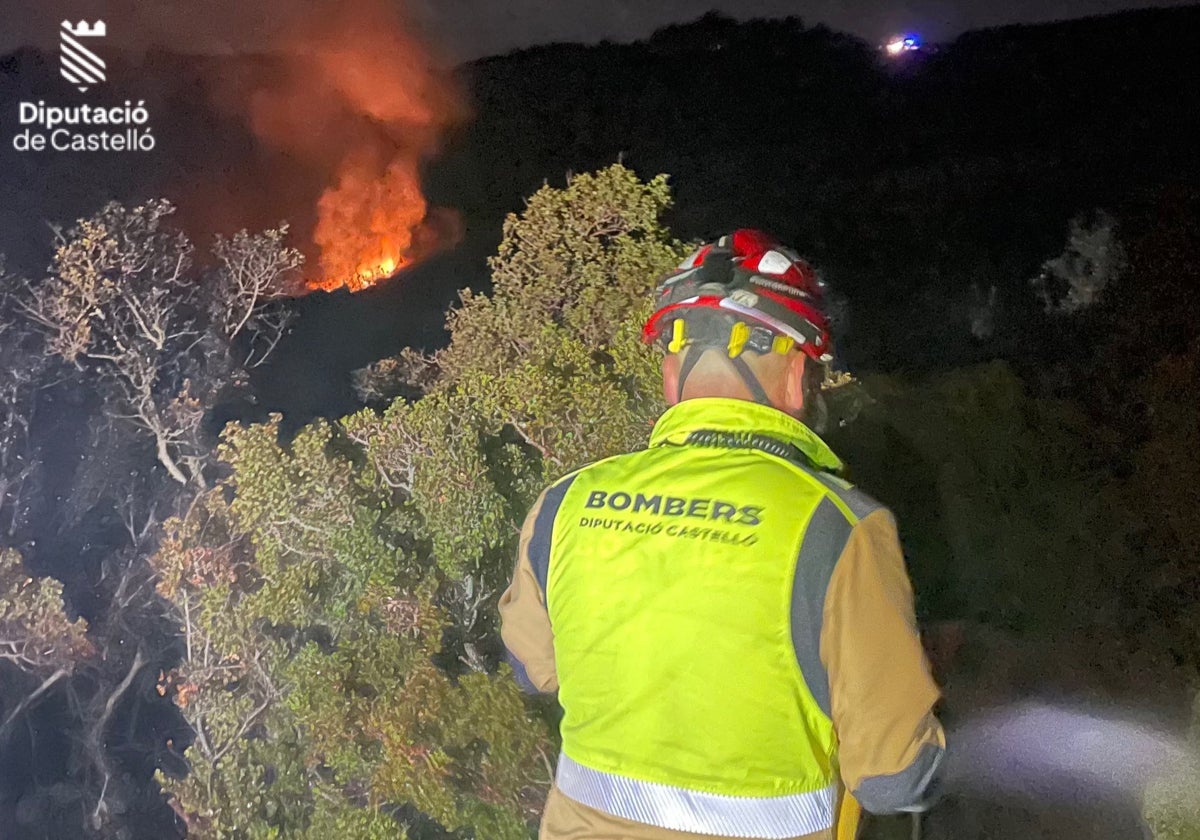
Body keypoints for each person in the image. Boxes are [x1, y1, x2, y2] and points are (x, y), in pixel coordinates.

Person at [499, 229, 944, 840]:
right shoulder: (841, 528)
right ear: (794, 373)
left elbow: (534, 670)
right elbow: (895, 779)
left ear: (669, 373)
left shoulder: (564, 503)